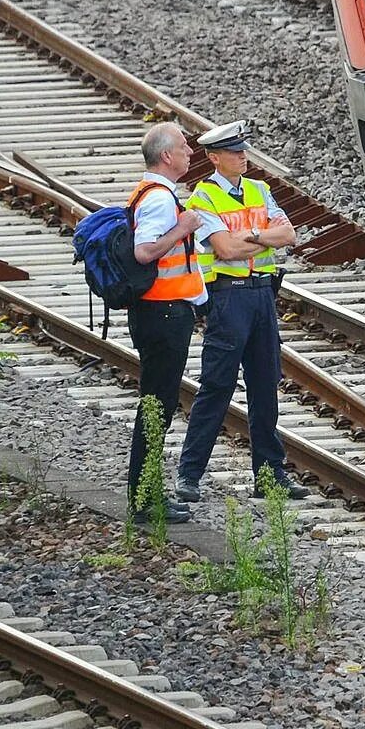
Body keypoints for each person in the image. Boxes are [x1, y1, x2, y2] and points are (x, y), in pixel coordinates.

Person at [172, 122, 298, 505]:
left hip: (262, 296)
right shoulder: (203, 199)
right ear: (214, 158)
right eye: (234, 152)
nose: (243, 156)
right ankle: (190, 475)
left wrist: (253, 238)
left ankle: (270, 477)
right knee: (216, 386)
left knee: (265, 387)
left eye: (243, 151)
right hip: (228, 300)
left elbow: (289, 235)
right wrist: (261, 239)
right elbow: (224, 250)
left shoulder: (260, 190)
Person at [123, 121, 205, 515]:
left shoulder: (152, 193)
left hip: (162, 312)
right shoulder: (159, 199)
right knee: (157, 405)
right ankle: (145, 499)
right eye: (185, 147)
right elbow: (145, 252)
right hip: (163, 313)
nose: (191, 152)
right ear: (167, 156)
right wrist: (184, 227)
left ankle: (147, 493)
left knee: (157, 403)